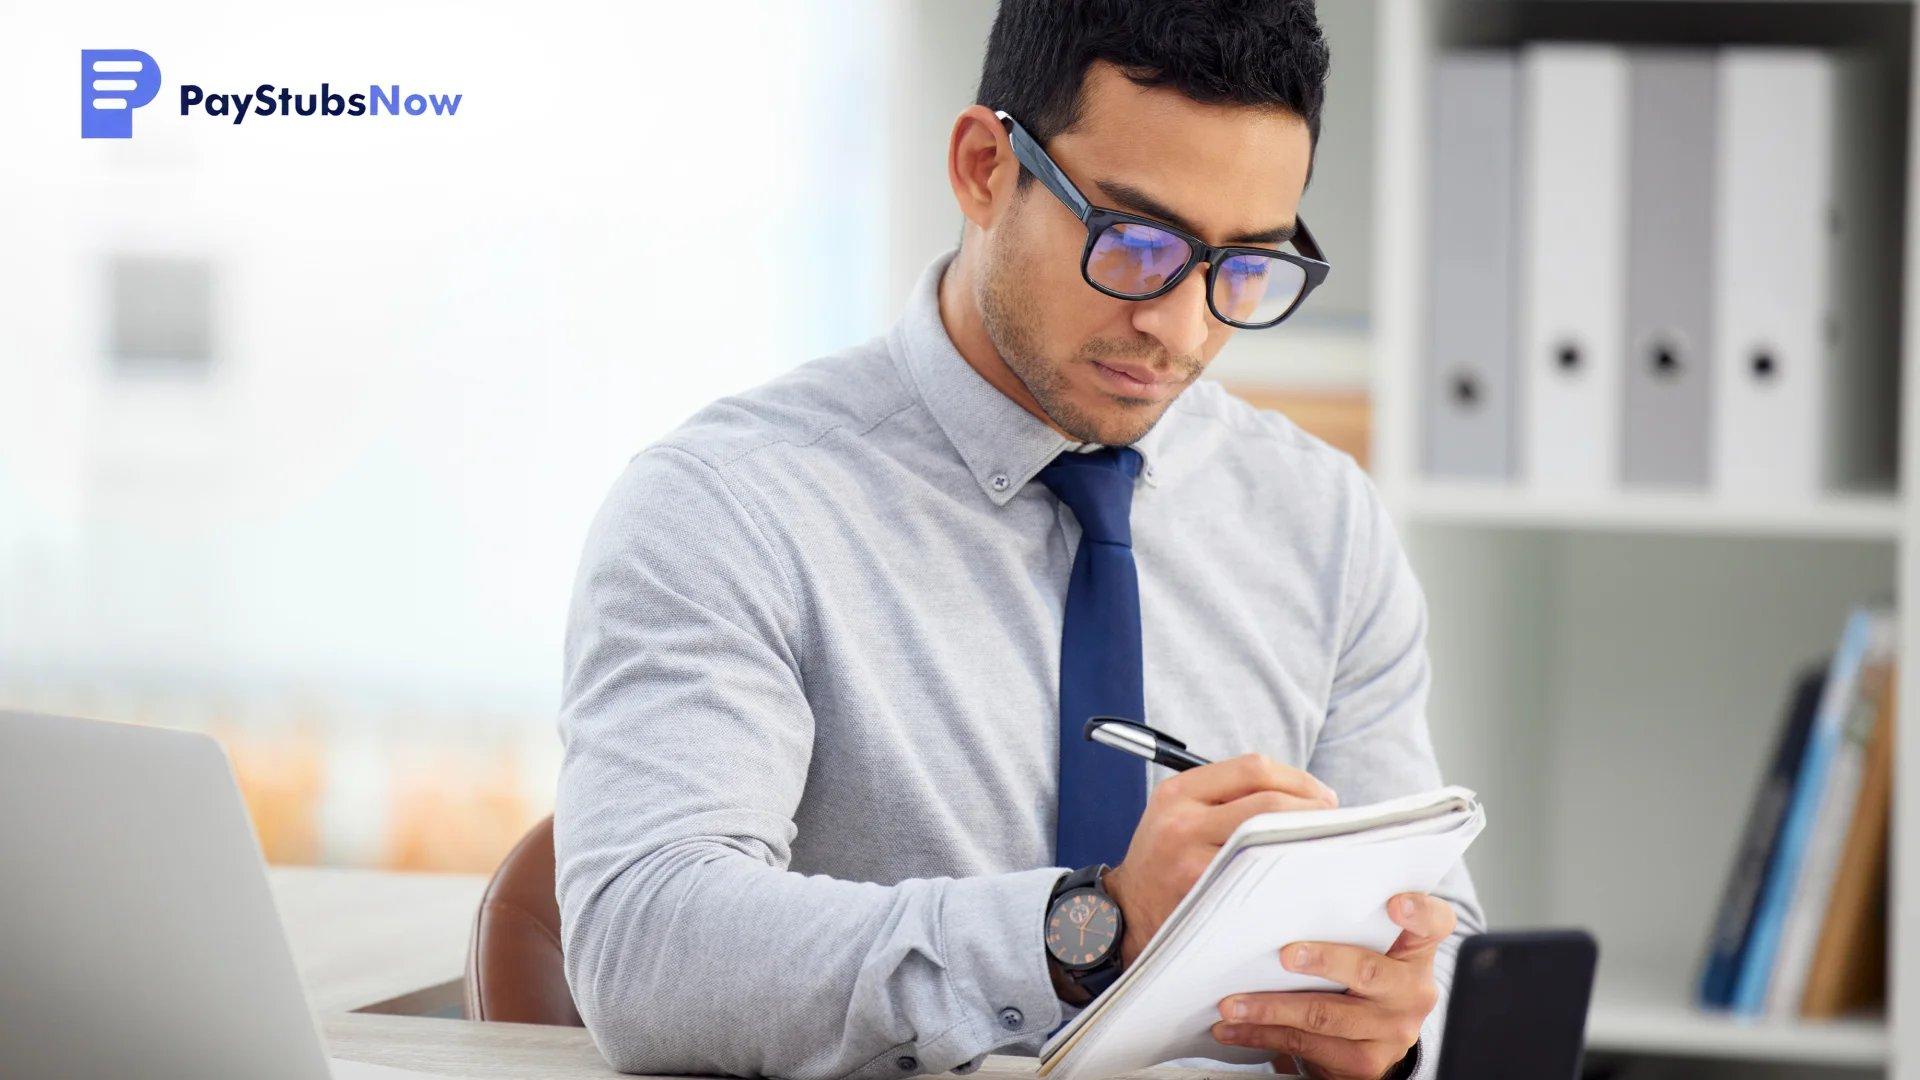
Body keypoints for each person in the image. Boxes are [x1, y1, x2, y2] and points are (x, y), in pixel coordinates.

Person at [553, 3, 1484, 1078]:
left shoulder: (1324, 521)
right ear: (986, 166)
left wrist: (1397, 1022)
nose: (1181, 333)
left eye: (1244, 271)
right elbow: (647, 949)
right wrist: (1082, 929)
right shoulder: (729, 505)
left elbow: (1439, 935)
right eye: (1134, 244)